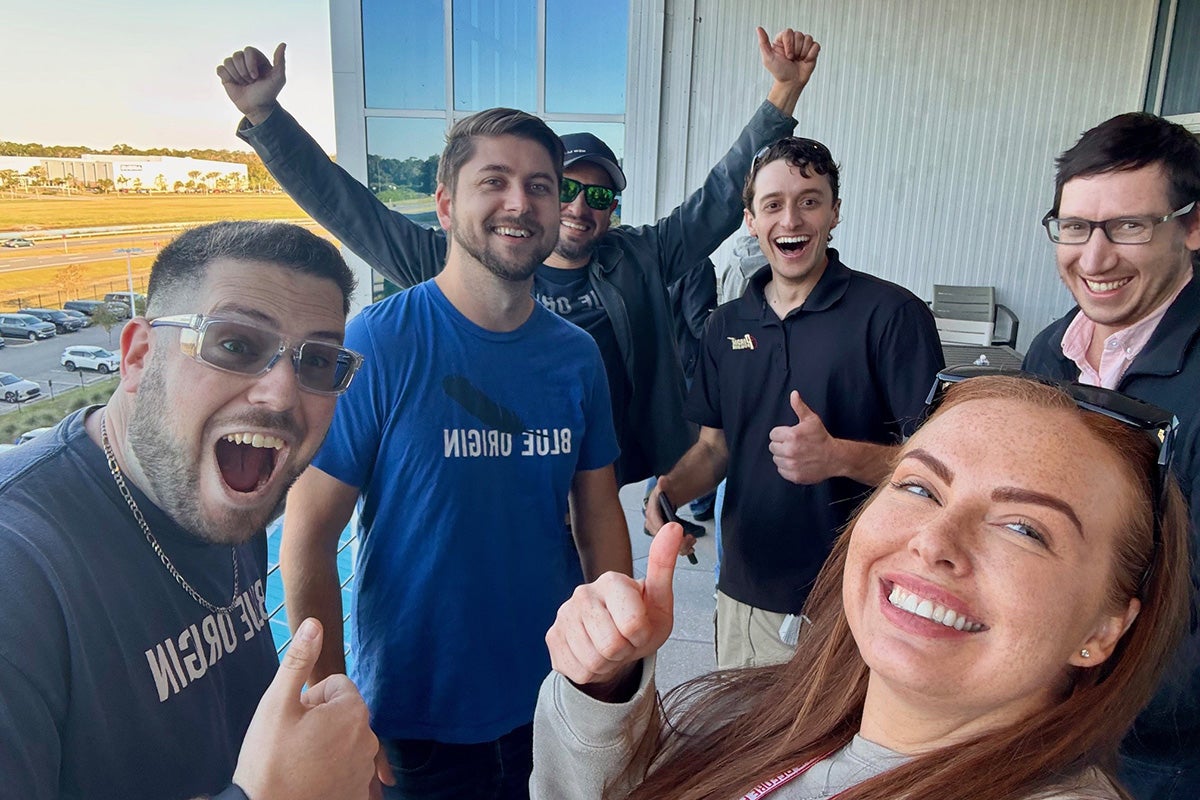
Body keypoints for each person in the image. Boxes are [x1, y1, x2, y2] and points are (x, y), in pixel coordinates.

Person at [225, 104, 631, 799]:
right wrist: (332, 703)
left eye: (540, 185)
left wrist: (616, 665)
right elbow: (308, 536)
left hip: (553, 698)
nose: (520, 202)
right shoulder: (380, 344)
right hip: (416, 722)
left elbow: (597, 517)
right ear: (444, 204)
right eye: (493, 180)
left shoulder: (576, 358)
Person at [533, 372, 1191, 800]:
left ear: (1104, 628)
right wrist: (602, 692)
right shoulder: (756, 716)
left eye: (1023, 528)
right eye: (917, 487)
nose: (935, 541)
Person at [218, 27, 816, 486]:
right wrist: (268, 120)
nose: (583, 207)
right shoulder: (460, 261)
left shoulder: (640, 258)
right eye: (570, 189)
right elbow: (352, 212)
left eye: (601, 195)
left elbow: (717, 196)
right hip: (491, 471)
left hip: (601, 475)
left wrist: (782, 90)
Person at [0, 221, 380, 800]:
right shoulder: (20, 570)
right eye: (234, 345)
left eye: (318, 362)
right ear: (138, 356)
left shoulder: (226, 489)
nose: (281, 394)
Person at [645, 136, 944, 669]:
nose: (792, 219)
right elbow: (716, 449)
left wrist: (837, 458)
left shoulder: (892, 316)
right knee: (744, 745)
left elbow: (940, 471)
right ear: (751, 220)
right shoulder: (726, 326)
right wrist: (668, 491)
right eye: (773, 204)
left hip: (856, 599)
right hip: (746, 589)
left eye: (810, 200)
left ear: (834, 213)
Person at [1022, 112, 1200, 799]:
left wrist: (1109, 690)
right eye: (1075, 227)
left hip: (1159, 741)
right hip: (1049, 705)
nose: (1093, 259)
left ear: (1191, 227)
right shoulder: (1049, 351)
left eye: (1128, 226)